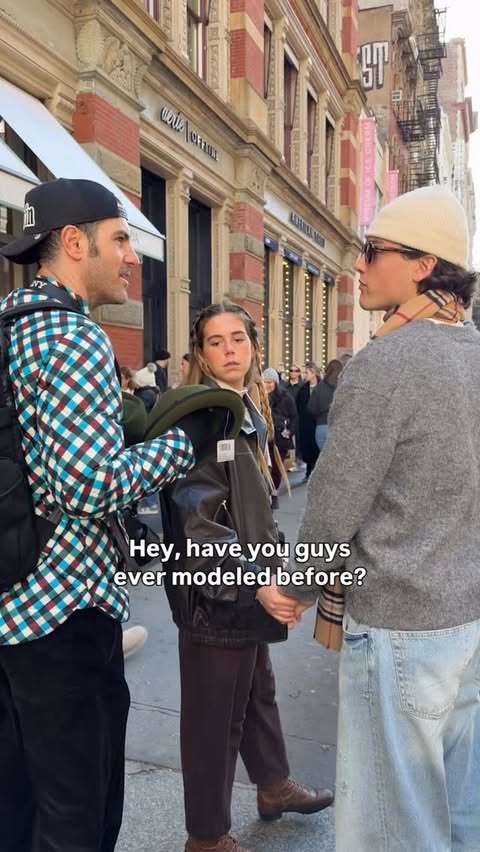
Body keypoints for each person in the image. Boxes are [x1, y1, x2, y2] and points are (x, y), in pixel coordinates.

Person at [277, 186, 480, 851]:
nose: (358, 266)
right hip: (467, 620)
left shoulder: (385, 363)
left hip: (400, 627)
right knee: (458, 815)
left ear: (423, 265)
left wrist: (292, 588)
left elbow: (336, 503)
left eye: (373, 251)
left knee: (391, 828)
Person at [0, 178, 198, 852]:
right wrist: (179, 447)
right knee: (79, 818)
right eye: (119, 239)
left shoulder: (11, 327)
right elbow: (88, 484)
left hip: (10, 608)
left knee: (18, 808)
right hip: (65, 614)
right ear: (74, 243)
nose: (131, 258)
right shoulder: (73, 337)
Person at [160, 301, 334, 852]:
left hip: (247, 584)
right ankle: (206, 836)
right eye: (217, 341)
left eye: (239, 338)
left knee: (257, 691)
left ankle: (274, 785)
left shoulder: (243, 407)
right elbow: (197, 523)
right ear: (200, 353)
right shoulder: (203, 416)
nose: (230, 349)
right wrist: (259, 580)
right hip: (216, 591)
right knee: (215, 717)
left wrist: (279, 573)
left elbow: (253, 508)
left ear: (254, 346)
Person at [262, 367, 297, 506]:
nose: (268, 385)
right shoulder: (258, 396)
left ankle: (274, 493)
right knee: (265, 467)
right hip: (264, 438)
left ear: (276, 382)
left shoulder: (285, 397)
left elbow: (294, 417)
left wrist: (290, 432)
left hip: (280, 439)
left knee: (277, 467)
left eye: (271, 382)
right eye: (266, 382)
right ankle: (265, 492)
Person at [307, 359, 343, 452]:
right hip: (337, 427)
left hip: (321, 426)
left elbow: (311, 408)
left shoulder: (319, 387)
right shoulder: (342, 387)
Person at [295, 361, 321, 479]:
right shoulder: (303, 389)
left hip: (318, 422)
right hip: (306, 423)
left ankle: (317, 470)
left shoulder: (321, 387)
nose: (305, 375)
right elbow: (298, 405)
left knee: (318, 446)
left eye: (307, 372)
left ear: (314, 373)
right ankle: (309, 470)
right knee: (308, 447)